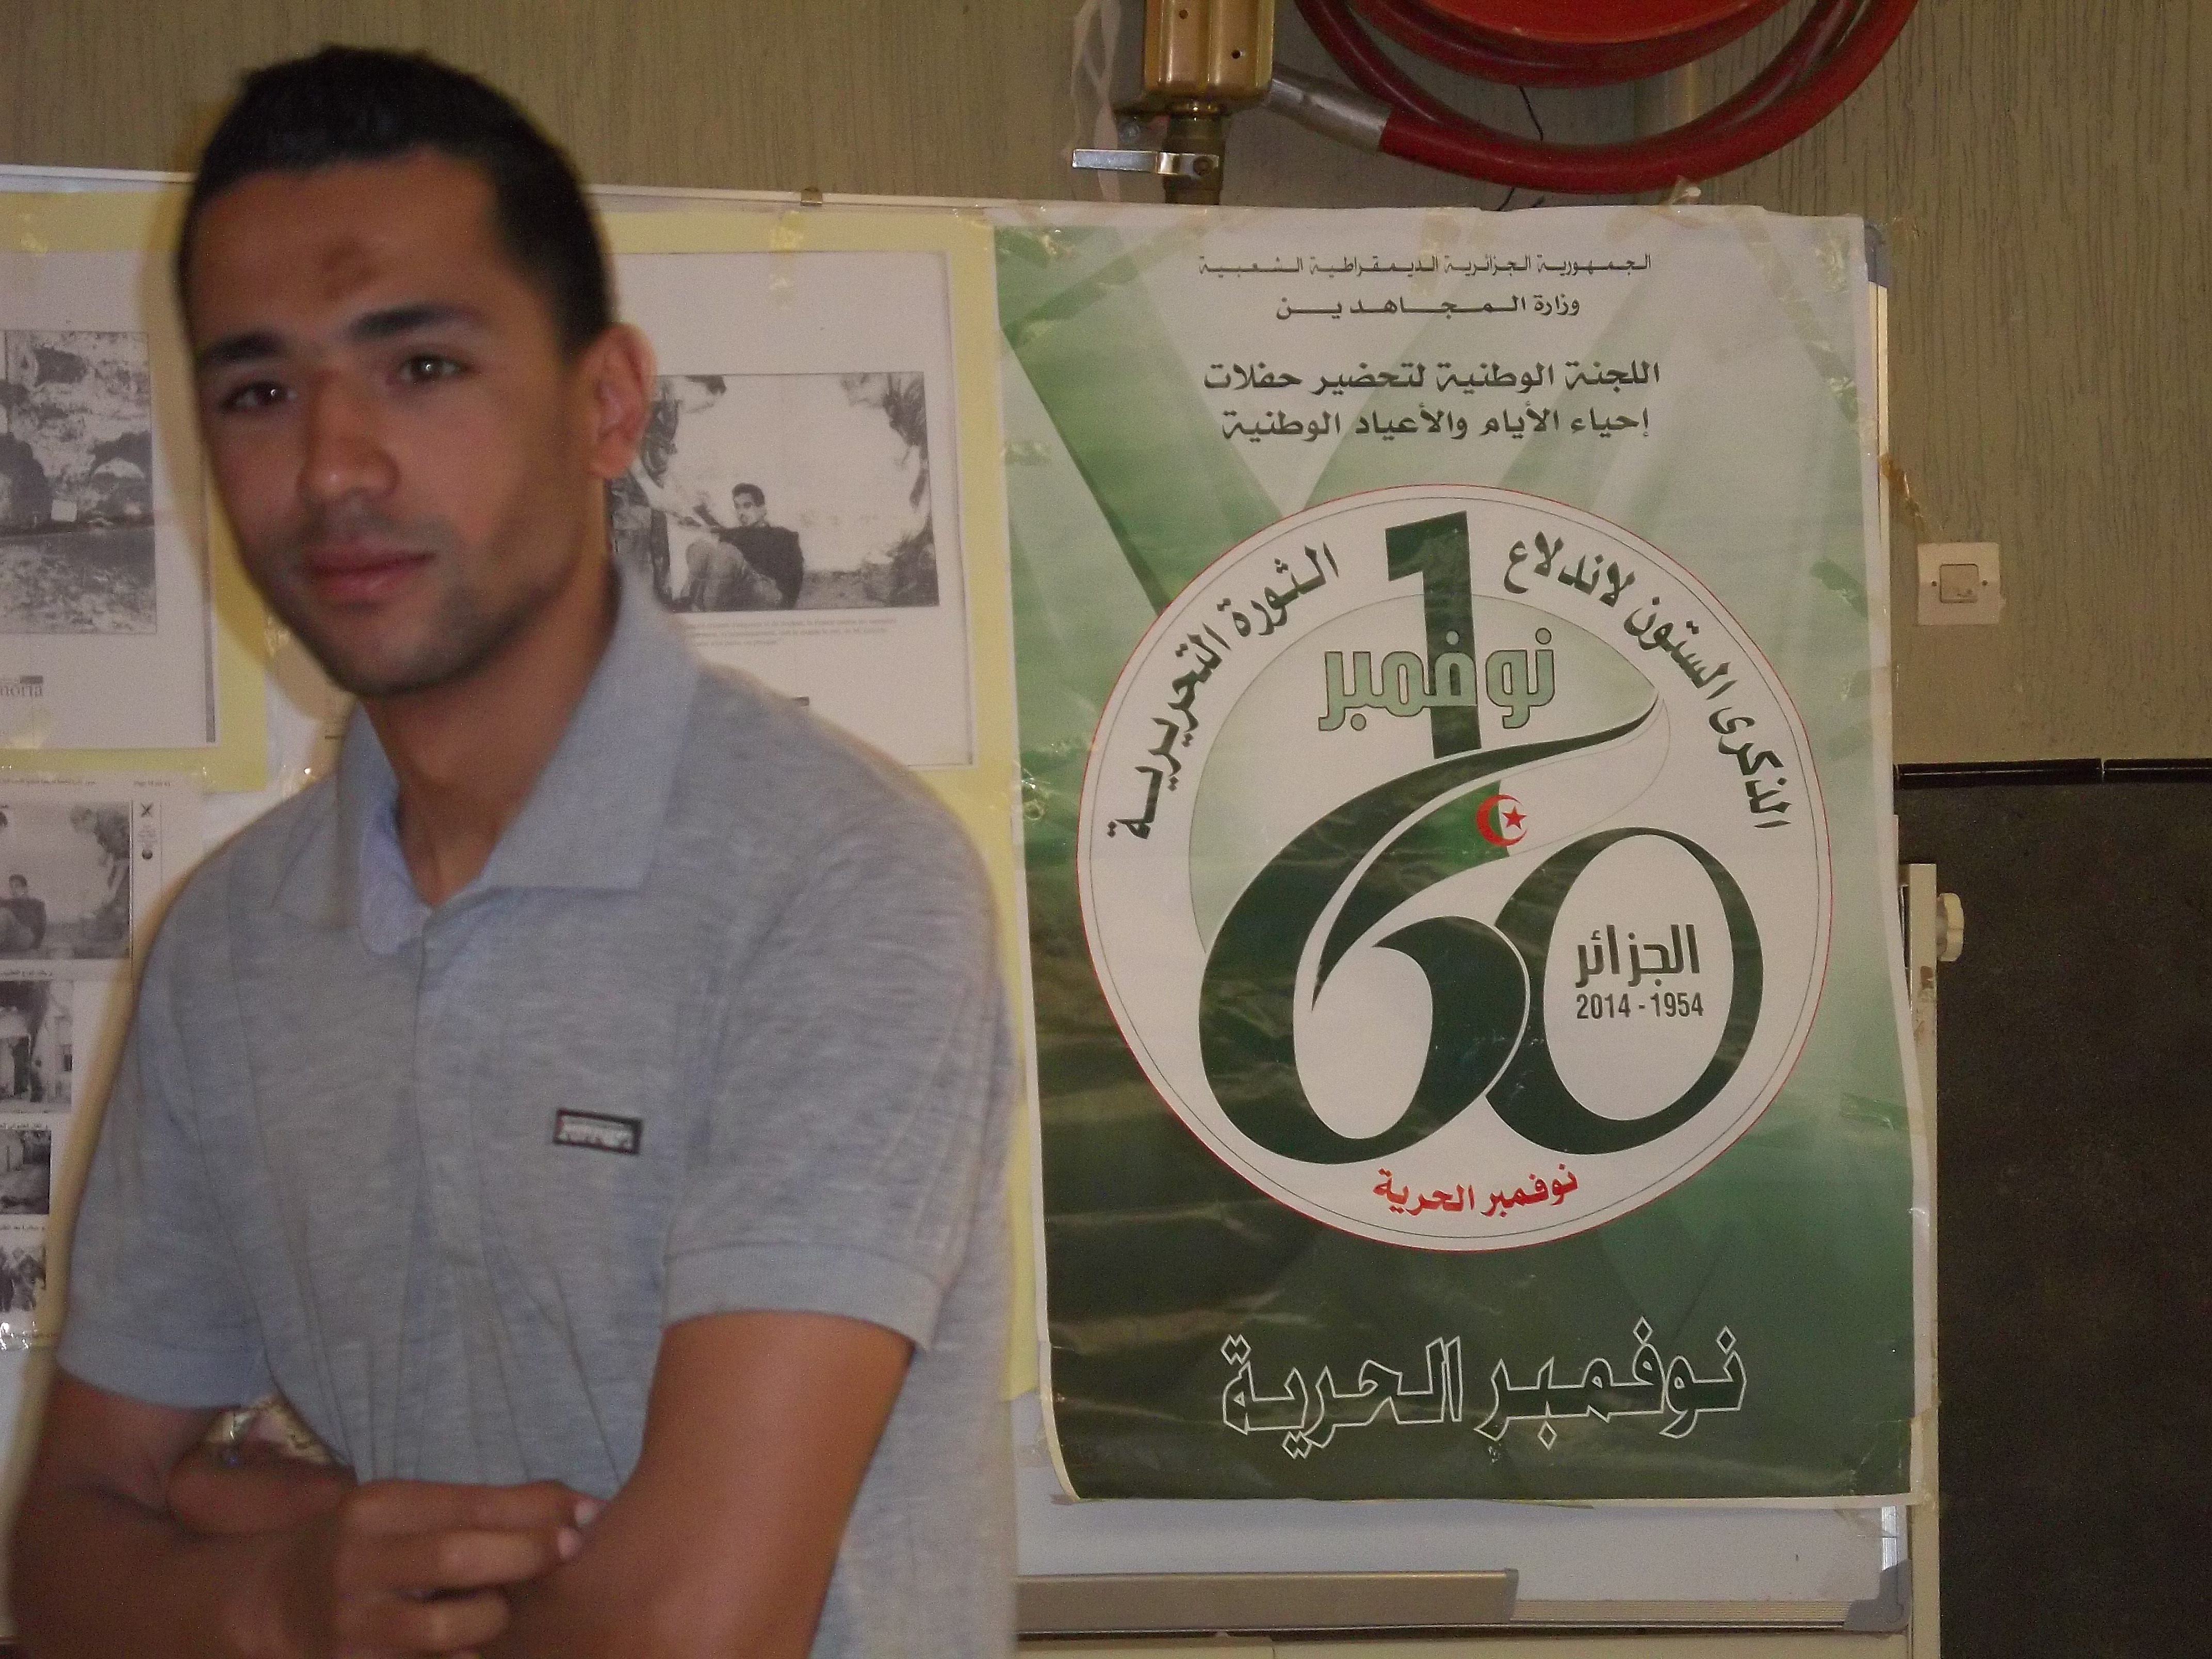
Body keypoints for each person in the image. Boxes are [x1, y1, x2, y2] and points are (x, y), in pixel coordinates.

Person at [11, 45, 1015, 1659]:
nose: (332, 465)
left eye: (421, 366)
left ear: (608, 403)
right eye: (259, 391)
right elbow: (64, 1569)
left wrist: (259, 1541)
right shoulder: (229, 943)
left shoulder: (837, 879)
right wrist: (289, 1589)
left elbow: (690, 1634)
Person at [0, 873, 47, 954]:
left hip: (27, 936)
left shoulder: (36, 904)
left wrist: (36, 947)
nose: (13, 890)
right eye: (11, 887)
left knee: (4, 913)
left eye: (17, 886)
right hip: (13, 937)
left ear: (25, 888)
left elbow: (41, 927)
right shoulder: (8, 903)